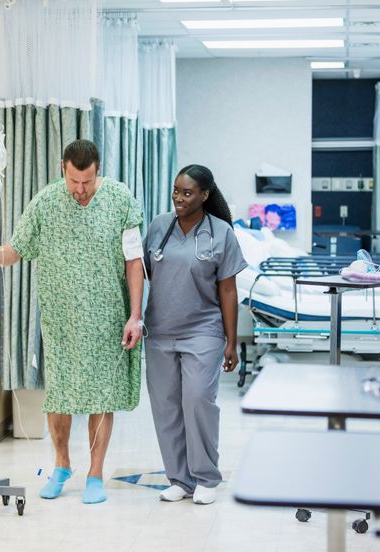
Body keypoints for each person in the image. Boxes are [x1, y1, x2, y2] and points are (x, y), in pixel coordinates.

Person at [0, 139, 144, 505]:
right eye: (75, 181)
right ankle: (61, 464)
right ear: (63, 167)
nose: (81, 190)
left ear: (99, 171)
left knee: (101, 396)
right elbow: (15, 251)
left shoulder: (121, 199)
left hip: (107, 318)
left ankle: (95, 473)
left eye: (88, 182)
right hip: (60, 322)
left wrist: (135, 315)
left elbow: (134, 262)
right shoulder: (45, 202)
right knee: (59, 397)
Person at [142, 164, 247, 505]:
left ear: (204, 195)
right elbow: (138, 271)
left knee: (198, 400)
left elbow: (228, 290)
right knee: (166, 406)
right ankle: (179, 479)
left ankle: (206, 477)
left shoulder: (221, 233)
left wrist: (232, 342)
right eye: (176, 191)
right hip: (160, 332)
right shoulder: (159, 227)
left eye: (187, 193)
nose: (179, 198)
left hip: (203, 331)